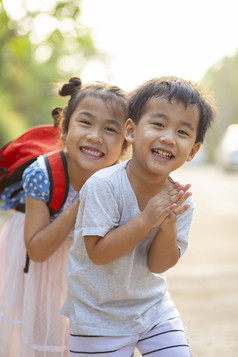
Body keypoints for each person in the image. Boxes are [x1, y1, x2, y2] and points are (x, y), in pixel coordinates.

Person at [61, 76, 215, 357]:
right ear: (130, 131)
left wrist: (167, 226)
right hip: (97, 315)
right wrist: (147, 219)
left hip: (152, 309)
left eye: (182, 132)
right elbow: (97, 253)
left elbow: (158, 265)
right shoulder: (103, 185)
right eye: (158, 124)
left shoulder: (179, 201)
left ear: (192, 150)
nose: (168, 138)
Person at [0, 76, 129, 357]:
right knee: (40, 334)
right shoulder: (43, 175)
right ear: (64, 129)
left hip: (82, 260)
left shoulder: (122, 181)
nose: (96, 136)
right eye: (85, 123)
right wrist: (81, 203)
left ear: (125, 143)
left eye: (110, 129)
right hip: (37, 252)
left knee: (79, 339)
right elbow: (37, 250)